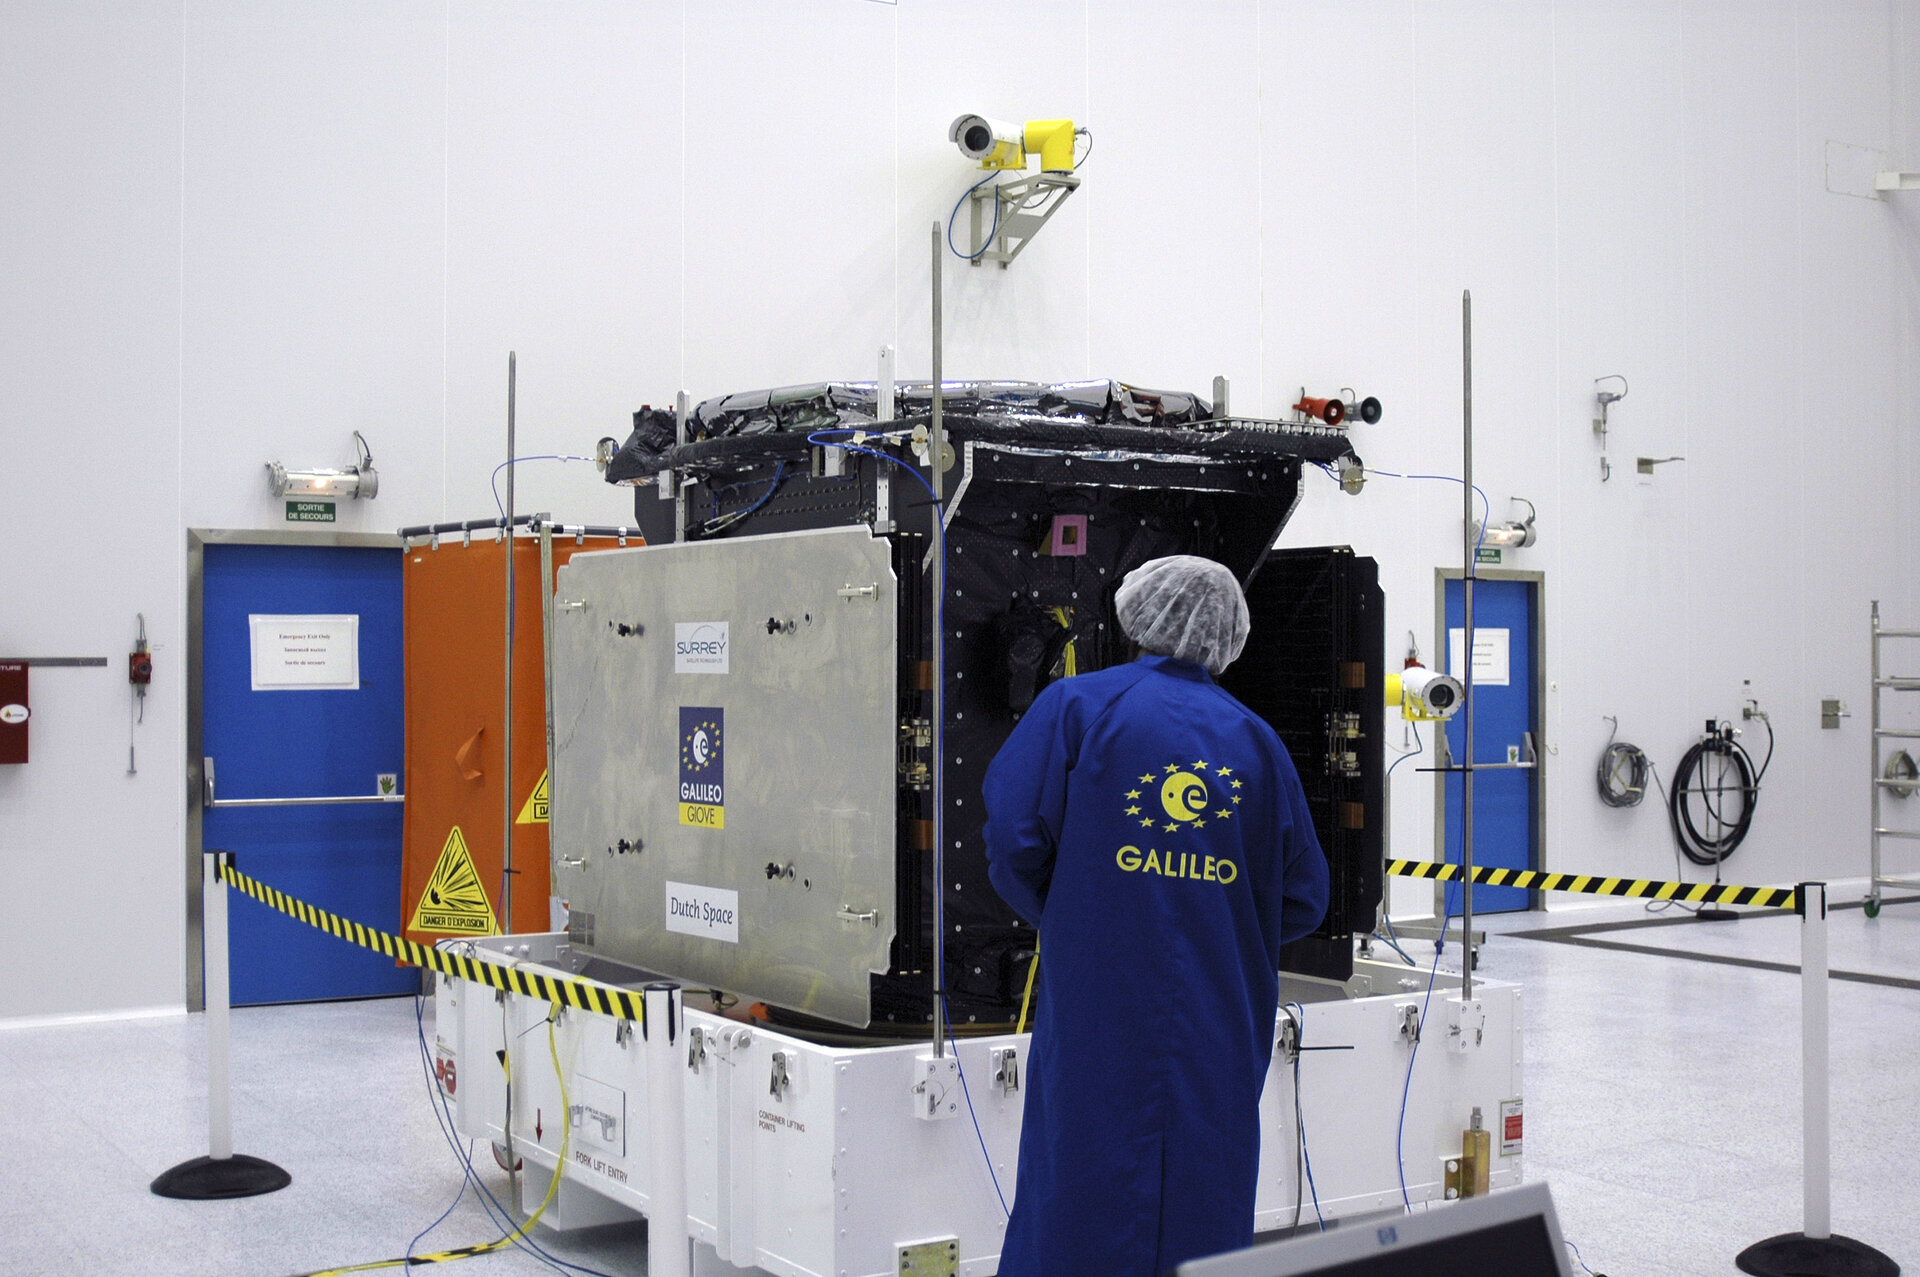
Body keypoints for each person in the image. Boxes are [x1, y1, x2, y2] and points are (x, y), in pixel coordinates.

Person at [982, 554, 1330, 1277]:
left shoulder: (1077, 709)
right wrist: (1218, 921)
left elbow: (1014, 842)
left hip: (1098, 1010)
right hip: (1218, 1021)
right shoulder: (1257, 742)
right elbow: (1304, 896)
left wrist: (1082, 913)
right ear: (1228, 636)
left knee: (1077, 1186)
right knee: (1204, 1195)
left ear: (1136, 614)